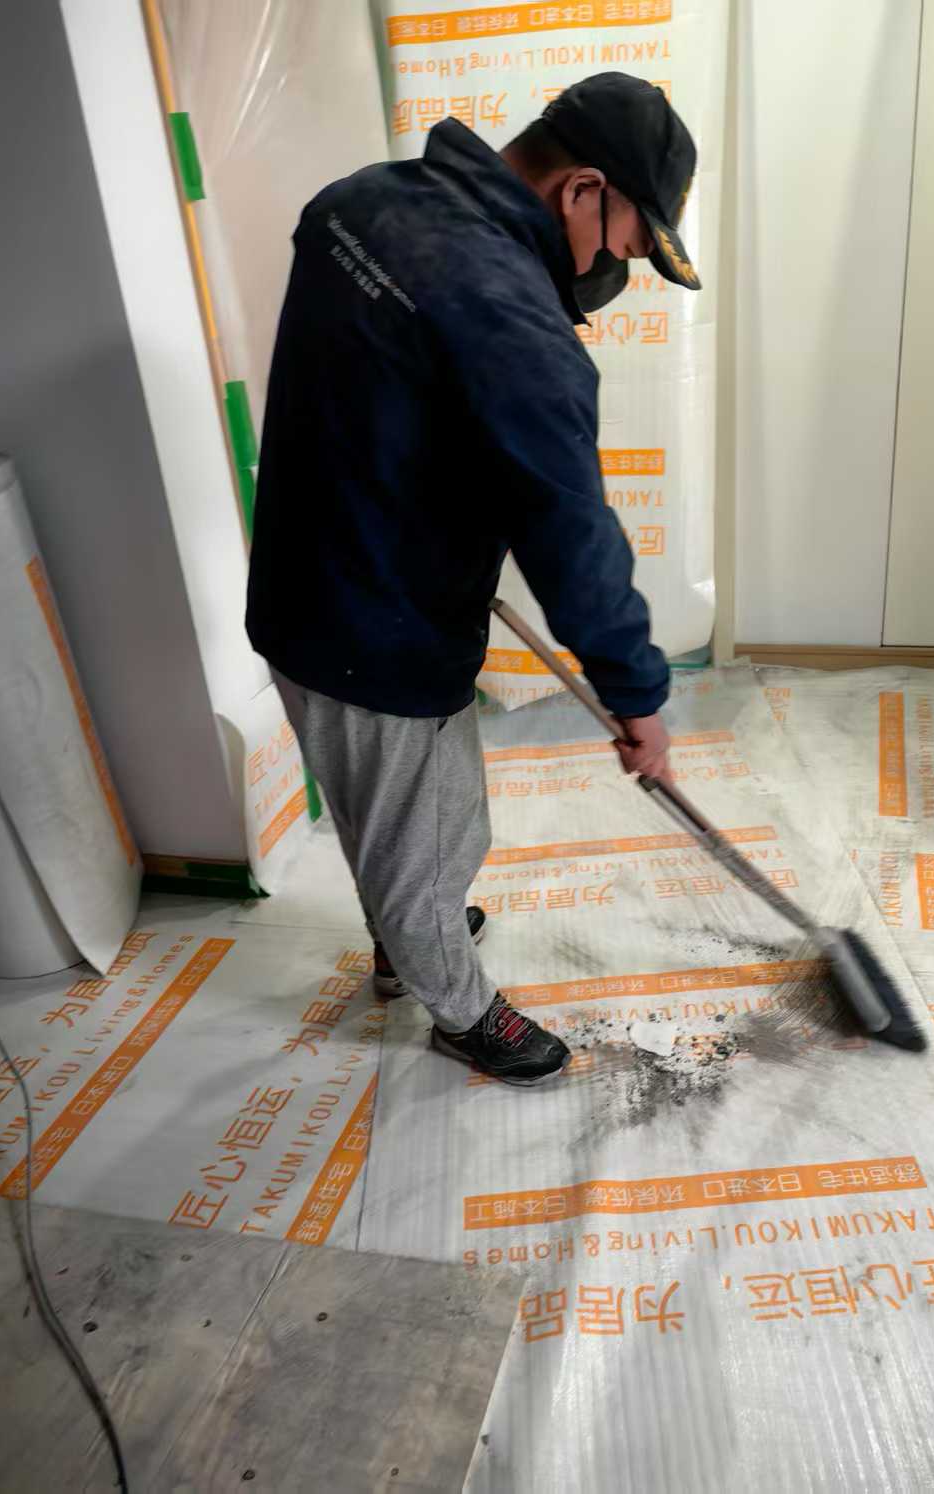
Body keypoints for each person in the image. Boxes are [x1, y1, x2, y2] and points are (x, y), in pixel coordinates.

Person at [246, 73, 702, 1086]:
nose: (611, 270)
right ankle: (457, 1009)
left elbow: (375, 384)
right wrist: (637, 698)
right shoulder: (510, 320)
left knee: (386, 813)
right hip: (378, 628)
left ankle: (406, 935)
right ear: (582, 189)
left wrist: (434, 507)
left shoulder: (357, 204)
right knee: (432, 841)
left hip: (307, 580)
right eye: (623, 245)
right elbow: (573, 538)